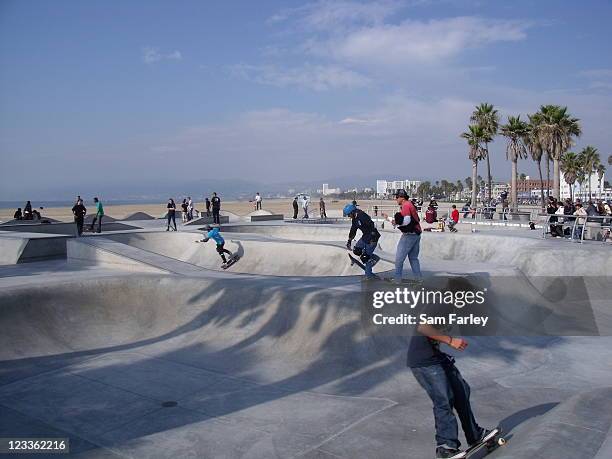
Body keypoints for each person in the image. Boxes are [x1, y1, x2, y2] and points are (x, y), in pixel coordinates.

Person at [409, 323, 494, 458]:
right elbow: (422, 326)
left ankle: (475, 435)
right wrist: (450, 340)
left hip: (437, 357)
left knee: (461, 391)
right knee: (444, 399)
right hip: (425, 363)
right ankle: (445, 447)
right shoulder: (443, 304)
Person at [382, 190, 422, 282]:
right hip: (416, 234)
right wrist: (388, 218)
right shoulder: (409, 204)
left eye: (397, 197)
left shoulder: (406, 205)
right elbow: (405, 221)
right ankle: (419, 279)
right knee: (413, 258)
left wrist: (397, 223)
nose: (395, 199)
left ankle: (397, 279)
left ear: (402, 198)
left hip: (409, 235)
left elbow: (407, 221)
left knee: (399, 259)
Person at [343, 203, 380, 279]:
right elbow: (353, 230)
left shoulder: (362, 215)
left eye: (349, 215)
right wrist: (349, 241)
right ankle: (373, 258)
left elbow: (372, 225)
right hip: (365, 236)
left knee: (365, 257)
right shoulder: (354, 219)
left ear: (353, 212)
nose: (349, 217)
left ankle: (368, 276)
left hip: (373, 237)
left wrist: (372, 238)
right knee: (356, 250)